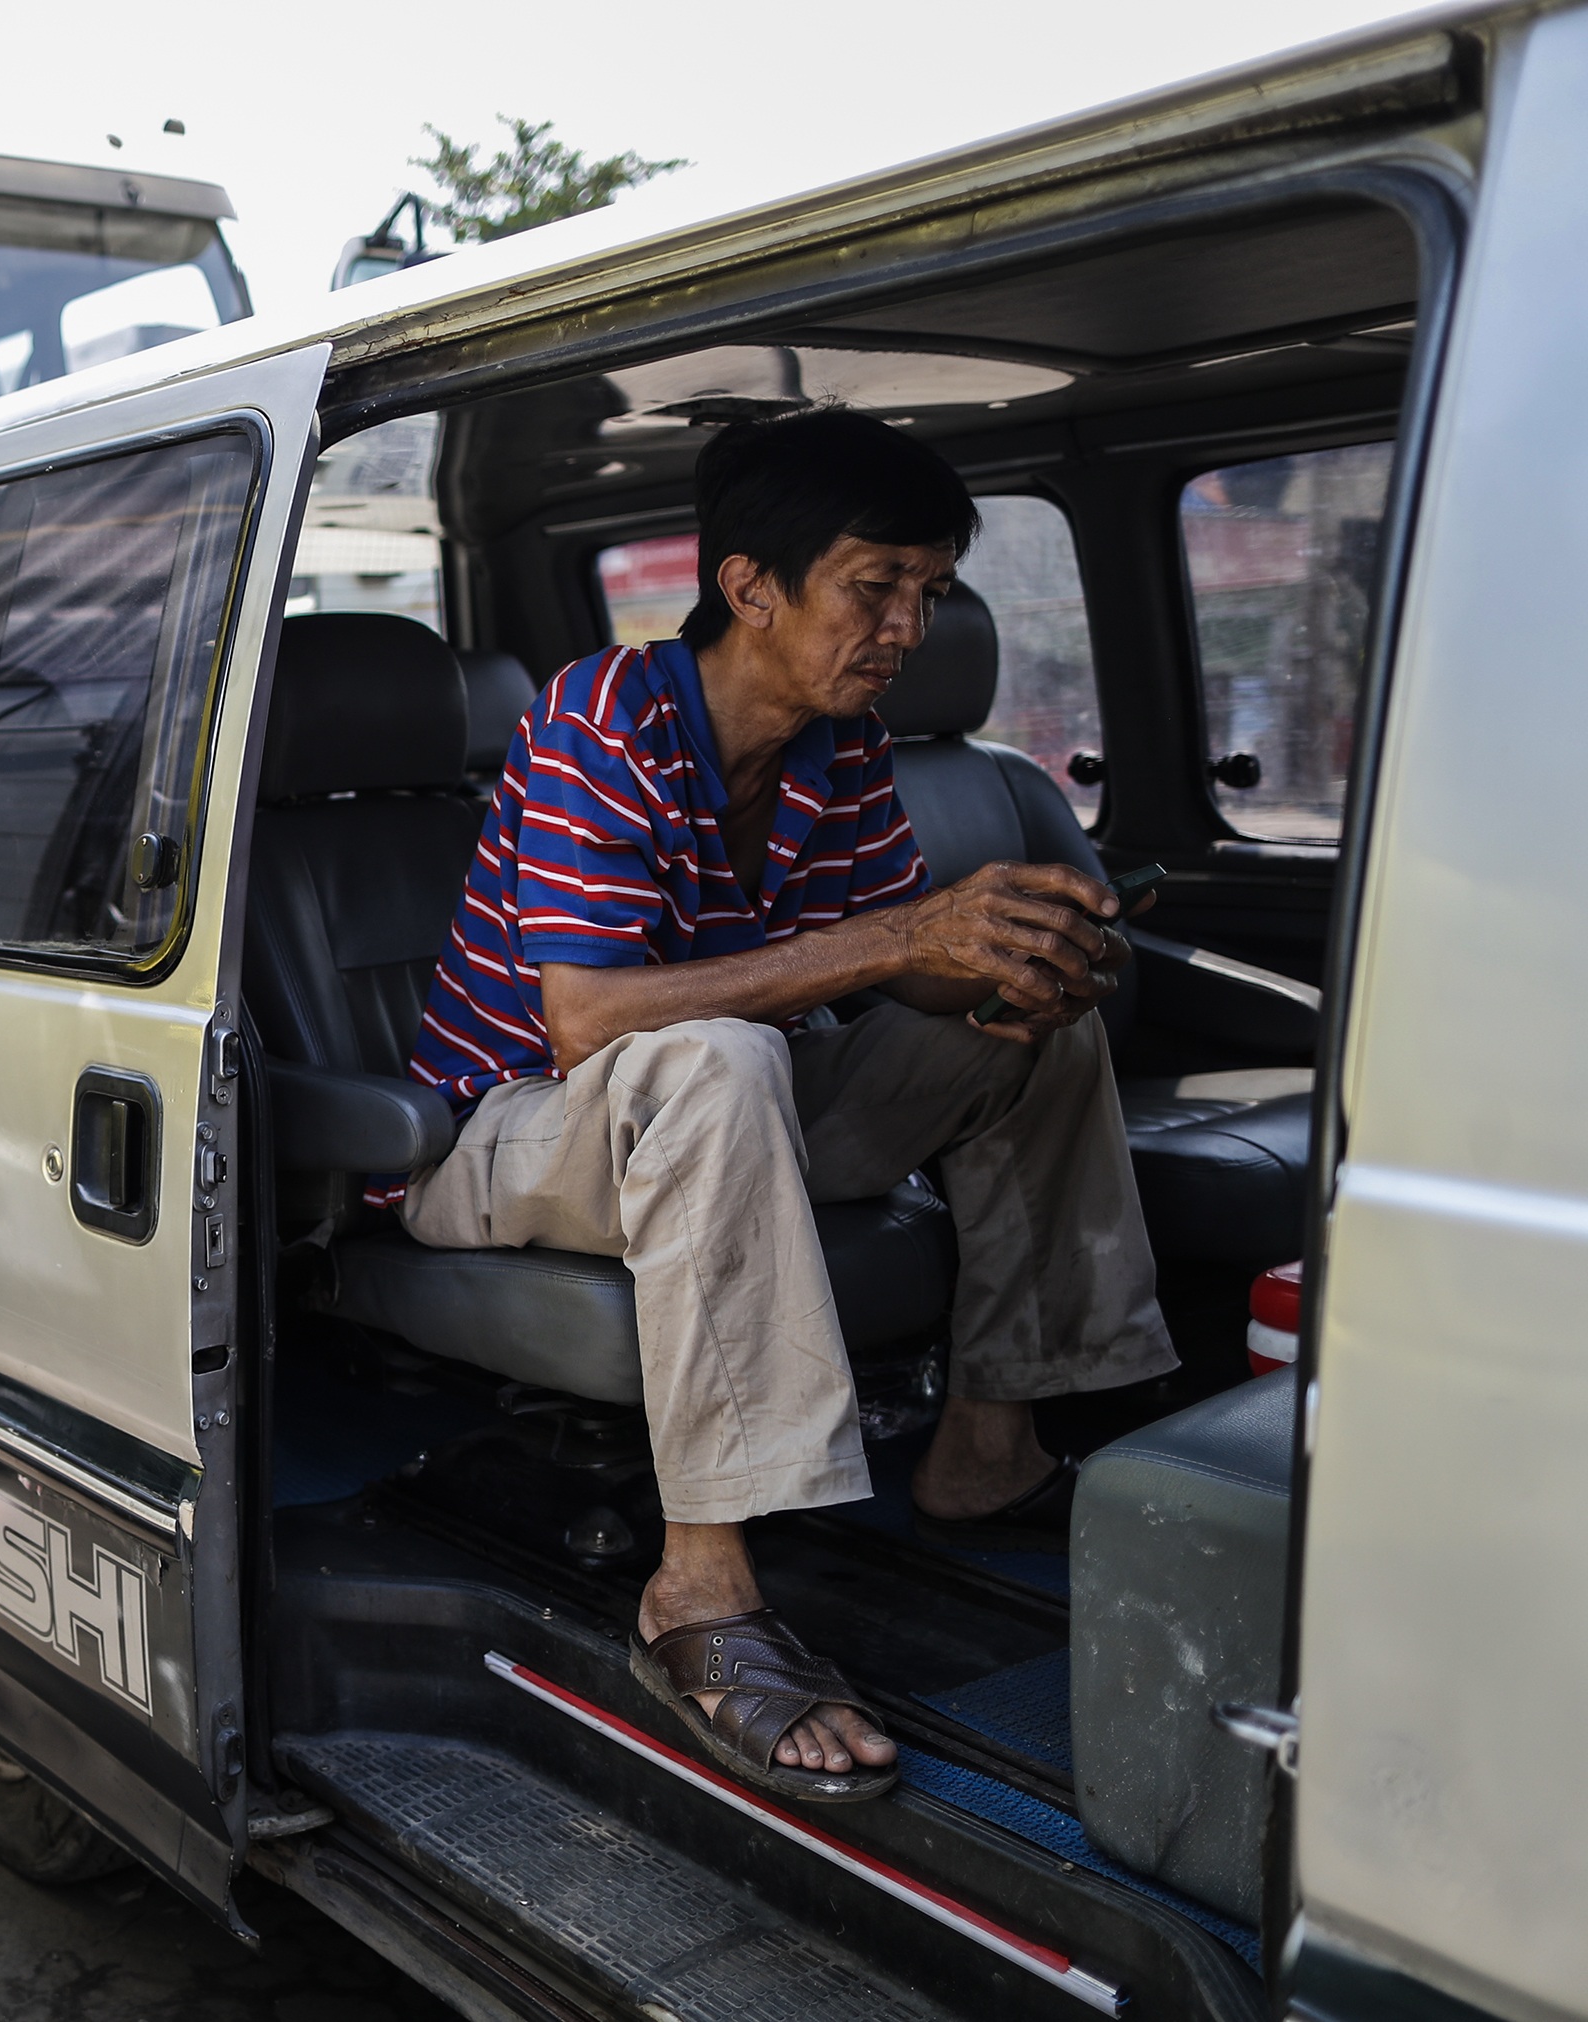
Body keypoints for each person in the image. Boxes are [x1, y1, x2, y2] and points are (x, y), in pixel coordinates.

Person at [393, 406, 1177, 1802]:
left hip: (702, 1112)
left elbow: (897, 959)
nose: (907, 627)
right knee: (716, 1052)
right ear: (752, 585)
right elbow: (590, 1020)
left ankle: (987, 1447)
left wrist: (1002, 956)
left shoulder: (841, 747)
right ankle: (697, 1587)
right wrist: (900, 945)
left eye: (928, 595)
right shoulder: (602, 715)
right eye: (876, 587)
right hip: (500, 1131)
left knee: (1037, 1040)